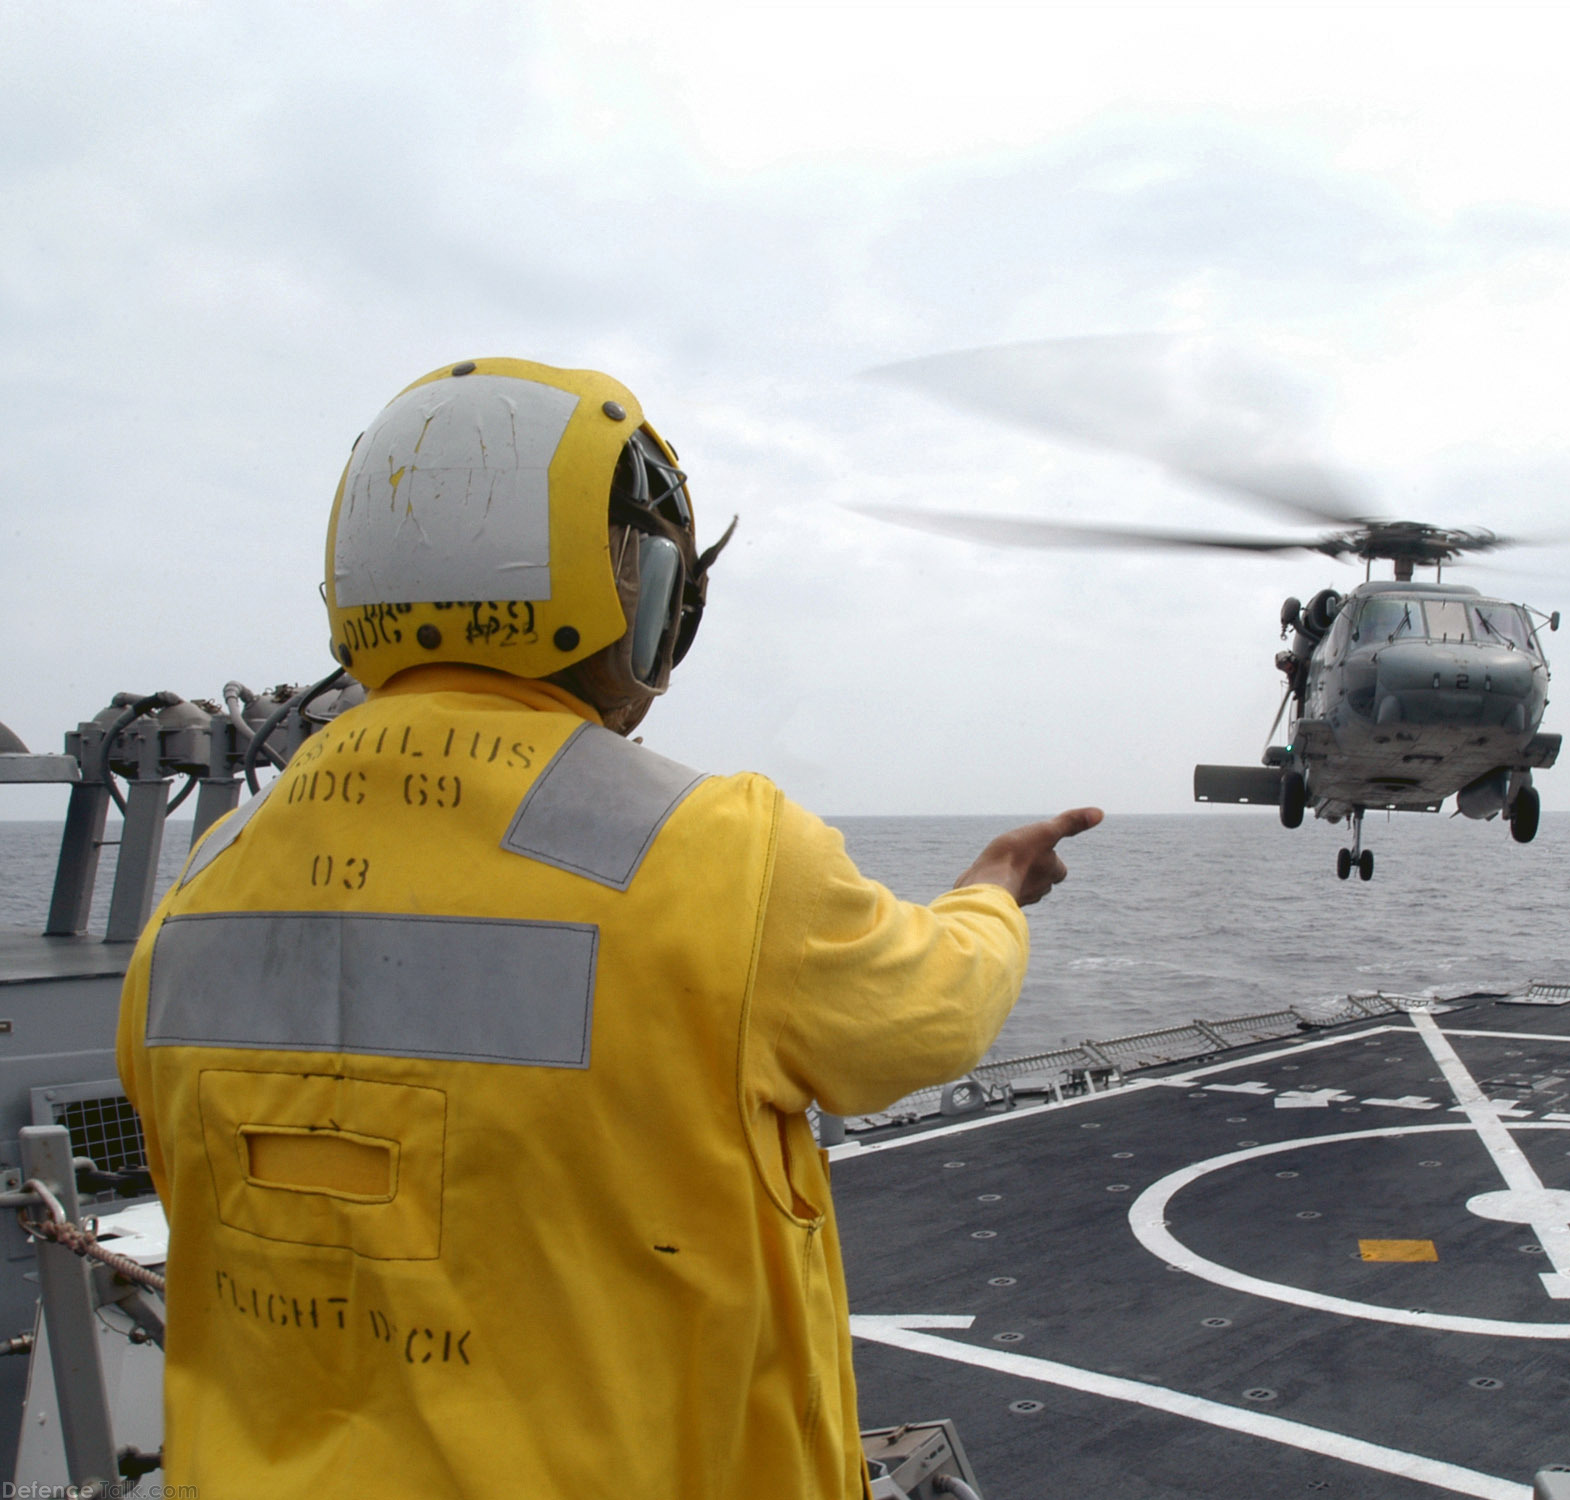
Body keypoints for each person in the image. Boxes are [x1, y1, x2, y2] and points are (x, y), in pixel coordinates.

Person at [115, 357, 1100, 1497]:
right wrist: (993, 888)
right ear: (637, 598)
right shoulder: (720, 850)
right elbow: (930, 1011)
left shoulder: (201, 887)